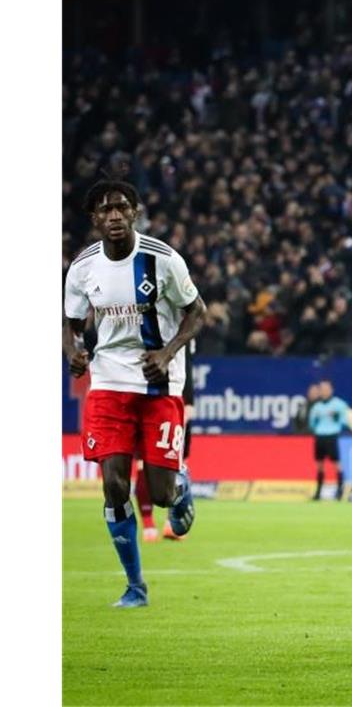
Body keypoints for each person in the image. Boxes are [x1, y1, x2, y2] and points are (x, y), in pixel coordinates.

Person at [63, 176, 205, 608]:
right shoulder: (83, 268)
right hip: (107, 383)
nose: (114, 216)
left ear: (135, 212)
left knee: (158, 494)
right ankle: (135, 586)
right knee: (113, 485)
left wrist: (167, 352)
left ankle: (179, 488)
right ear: (94, 219)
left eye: (122, 208)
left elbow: (197, 313)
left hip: (159, 383)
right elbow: (71, 324)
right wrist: (73, 351)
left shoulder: (163, 260)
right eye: (105, 210)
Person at [136, 338, 196, 542]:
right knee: (143, 463)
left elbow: (185, 361)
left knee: (176, 462)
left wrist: (188, 400)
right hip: (139, 394)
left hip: (171, 396)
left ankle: (170, 521)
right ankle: (148, 524)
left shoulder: (184, 322)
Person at [309, 379, 350, 500]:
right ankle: (318, 492)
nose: (324, 391)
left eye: (326, 389)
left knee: (336, 464)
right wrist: (316, 421)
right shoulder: (316, 407)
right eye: (322, 389)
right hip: (320, 436)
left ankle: (340, 491)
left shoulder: (339, 405)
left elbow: (345, 421)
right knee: (319, 465)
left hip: (332, 436)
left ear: (331, 390)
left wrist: (336, 417)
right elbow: (311, 424)